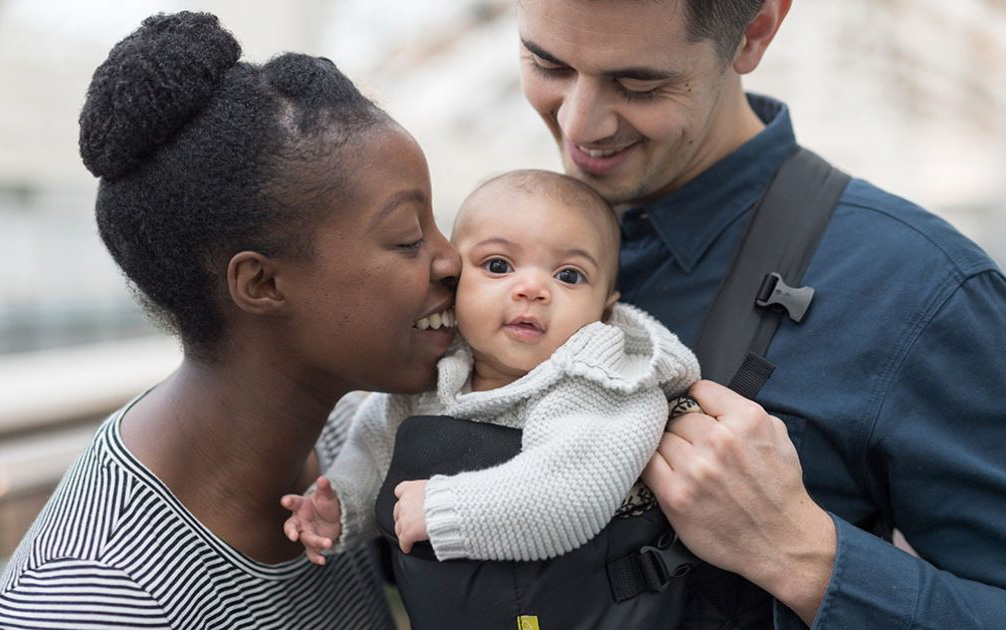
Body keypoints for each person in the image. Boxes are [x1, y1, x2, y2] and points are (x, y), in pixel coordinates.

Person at [515, 0, 1006, 628]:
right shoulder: (500, 243)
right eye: (545, 63)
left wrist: (801, 554)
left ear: (755, 31)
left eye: (638, 83)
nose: (579, 123)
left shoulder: (921, 288)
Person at [0, 11, 463, 629]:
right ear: (262, 283)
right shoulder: (99, 598)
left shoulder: (352, 438)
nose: (453, 259)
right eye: (408, 237)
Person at [282, 169, 700, 566]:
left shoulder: (600, 386)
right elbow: (374, 449)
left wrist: (445, 510)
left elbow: (570, 496)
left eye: (569, 276)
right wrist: (342, 504)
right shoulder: (439, 371)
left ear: (604, 310)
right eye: (498, 266)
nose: (532, 289)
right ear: (455, 280)